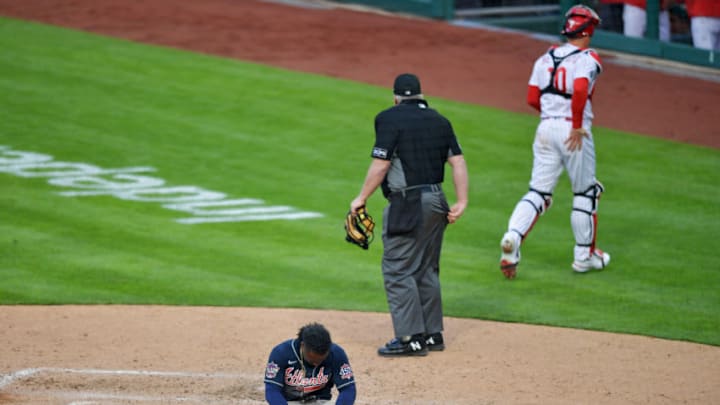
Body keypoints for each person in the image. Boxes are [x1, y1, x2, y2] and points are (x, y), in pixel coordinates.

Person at [349, 73, 469, 357]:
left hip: (408, 203)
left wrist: (361, 198)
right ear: (420, 95)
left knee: (398, 268)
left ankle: (410, 338)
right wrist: (461, 200)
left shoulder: (388, 118)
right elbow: (458, 161)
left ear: (395, 97)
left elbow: (382, 164)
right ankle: (432, 335)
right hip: (437, 200)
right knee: (426, 267)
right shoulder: (440, 120)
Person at [499, 5, 610, 280]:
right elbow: (581, 88)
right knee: (585, 192)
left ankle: (513, 237)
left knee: (538, 191)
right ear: (589, 30)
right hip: (574, 131)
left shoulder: (545, 58)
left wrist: (552, 117)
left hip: (545, 127)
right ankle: (584, 257)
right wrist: (574, 124)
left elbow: (532, 98)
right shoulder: (588, 58)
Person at [264, 323, 356, 404]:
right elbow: (272, 390)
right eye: (312, 360)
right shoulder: (281, 353)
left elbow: (348, 389)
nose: (316, 364)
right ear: (302, 345)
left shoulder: (336, 353)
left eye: (321, 360)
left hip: (322, 402)